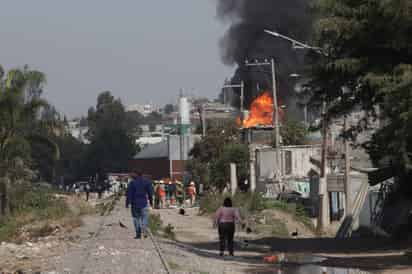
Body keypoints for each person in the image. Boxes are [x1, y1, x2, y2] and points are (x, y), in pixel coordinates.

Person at [126, 171, 154, 239]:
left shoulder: (132, 183)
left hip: (134, 204)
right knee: (145, 217)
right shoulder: (147, 182)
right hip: (144, 203)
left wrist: (127, 203)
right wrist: (151, 202)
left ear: (136, 174)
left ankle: (138, 234)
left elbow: (129, 194)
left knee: (136, 219)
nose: (132, 175)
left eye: (133, 173)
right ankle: (144, 228)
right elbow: (150, 193)